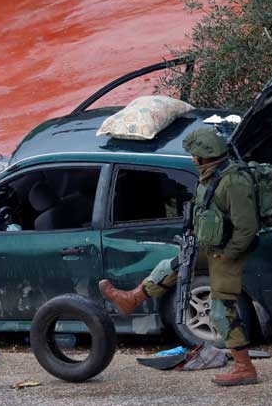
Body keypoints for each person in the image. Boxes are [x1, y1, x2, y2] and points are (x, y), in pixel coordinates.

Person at [98, 127, 260, 386]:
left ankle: (244, 368)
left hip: (229, 251)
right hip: (213, 245)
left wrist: (228, 255)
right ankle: (133, 298)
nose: (192, 158)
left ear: (205, 156)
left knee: (221, 310)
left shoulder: (233, 182)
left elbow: (247, 228)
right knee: (173, 265)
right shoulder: (211, 175)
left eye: (194, 154)